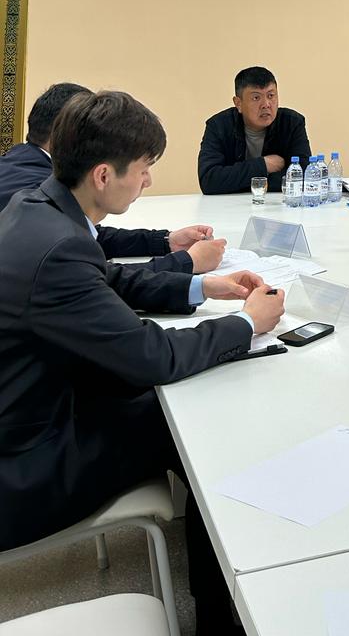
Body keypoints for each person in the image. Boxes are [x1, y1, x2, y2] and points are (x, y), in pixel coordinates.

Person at [0, 90, 284, 634]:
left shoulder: (40, 208)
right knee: (196, 425)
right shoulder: (58, 244)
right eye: (144, 168)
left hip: (37, 408)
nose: (149, 180)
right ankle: (220, 615)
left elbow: (105, 278)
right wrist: (247, 324)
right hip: (27, 464)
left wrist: (200, 285)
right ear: (104, 175)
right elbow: (153, 357)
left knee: (174, 409)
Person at [0, 82, 225, 274]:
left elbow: (91, 235)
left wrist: (165, 241)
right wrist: (186, 262)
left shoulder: (23, 164)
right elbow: (93, 275)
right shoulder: (33, 189)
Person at [198, 65, 311, 194]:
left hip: (277, 204)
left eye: (271, 95)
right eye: (256, 98)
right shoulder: (218, 126)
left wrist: (240, 181)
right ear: (238, 103)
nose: (266, 104)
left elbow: (303, 177)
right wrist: (263, 165)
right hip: (230, 205)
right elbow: (208, 180)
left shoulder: (292, 123)